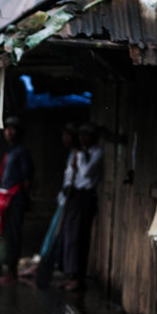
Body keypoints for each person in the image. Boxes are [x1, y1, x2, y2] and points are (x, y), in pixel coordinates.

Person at [59, 123, 103, 290]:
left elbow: (85, 173)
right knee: (70, 237)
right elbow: (70, 175)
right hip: (74, 195)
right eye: (81, 135)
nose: (83, 138)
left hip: (86, 196)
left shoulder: (96, 153)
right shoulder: (77, 154)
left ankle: (78, 279)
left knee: (80, 237)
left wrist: (81, 158)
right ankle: (71, 275)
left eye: (86, 135)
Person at [0, 116, 34, 284]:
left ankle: (12, 272)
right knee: (5, 235)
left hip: (15, 199)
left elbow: (26, 179)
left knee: (14, 234)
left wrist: (23, 198)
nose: (8, 132)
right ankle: (5, 269)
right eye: (6, 129)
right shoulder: (9, 151)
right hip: (6, 200)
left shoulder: (21, 152)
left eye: (12, 129)